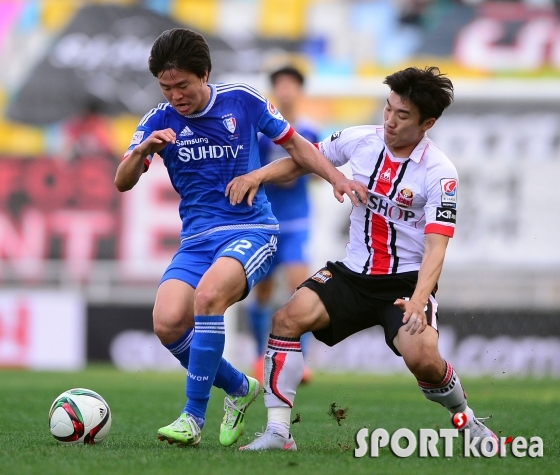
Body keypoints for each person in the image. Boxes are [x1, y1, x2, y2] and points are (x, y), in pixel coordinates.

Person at [114, 28, 366, 448]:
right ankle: (239, 388)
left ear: (205, 74)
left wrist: (337, 178)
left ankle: (192, 419)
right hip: (196, 239)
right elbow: (122, 182)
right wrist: (143, 152)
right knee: (168, 323)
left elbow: (298, 147)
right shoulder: (157, 120)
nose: (175, 95)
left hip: (251, 229)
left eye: (183, 85)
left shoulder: (242, 101)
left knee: (209, 298)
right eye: (166, 87)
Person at [228, 66, 500, 452]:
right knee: (286, 320)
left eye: (402, 116)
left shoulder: (440, 173)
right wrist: (260, 176)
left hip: (403, 285)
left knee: (423, 359)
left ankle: (467, 421)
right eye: (388, 109)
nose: (389, 121)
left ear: (428, 123)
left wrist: (419, 302)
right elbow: (305, 158)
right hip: (353, 274)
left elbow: (437, 247)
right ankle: (277, 433)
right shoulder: (360, 140)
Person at [248, 65, 319, 384]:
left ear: (299, 91)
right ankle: (257, 356)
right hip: (265, 223)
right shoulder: (262, 133)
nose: (286, 90)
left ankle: (297, 361)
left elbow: (316, 170)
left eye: (292, 85)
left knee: (299, 288)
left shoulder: (310, 132)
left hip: (296, 222)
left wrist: (303, 171)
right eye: (281, 85)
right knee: (261, 293)